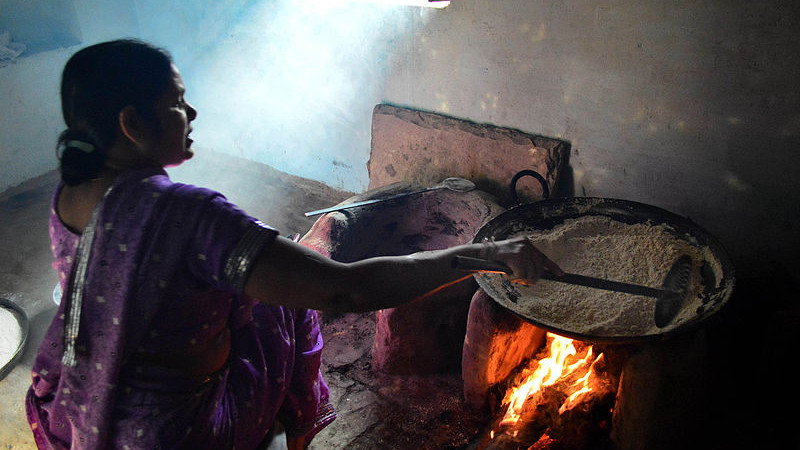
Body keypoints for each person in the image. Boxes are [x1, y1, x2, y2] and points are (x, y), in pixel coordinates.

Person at [25, 39, 561, 450]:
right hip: (174, 427)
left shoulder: (71, 194)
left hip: (89, 398)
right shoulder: (187, 214)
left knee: (267, 282)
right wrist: (481, 257)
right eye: (178, 104)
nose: (192, 116)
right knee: (286, 307)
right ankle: (289, 432)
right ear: (131, 124)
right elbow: (344, 291)